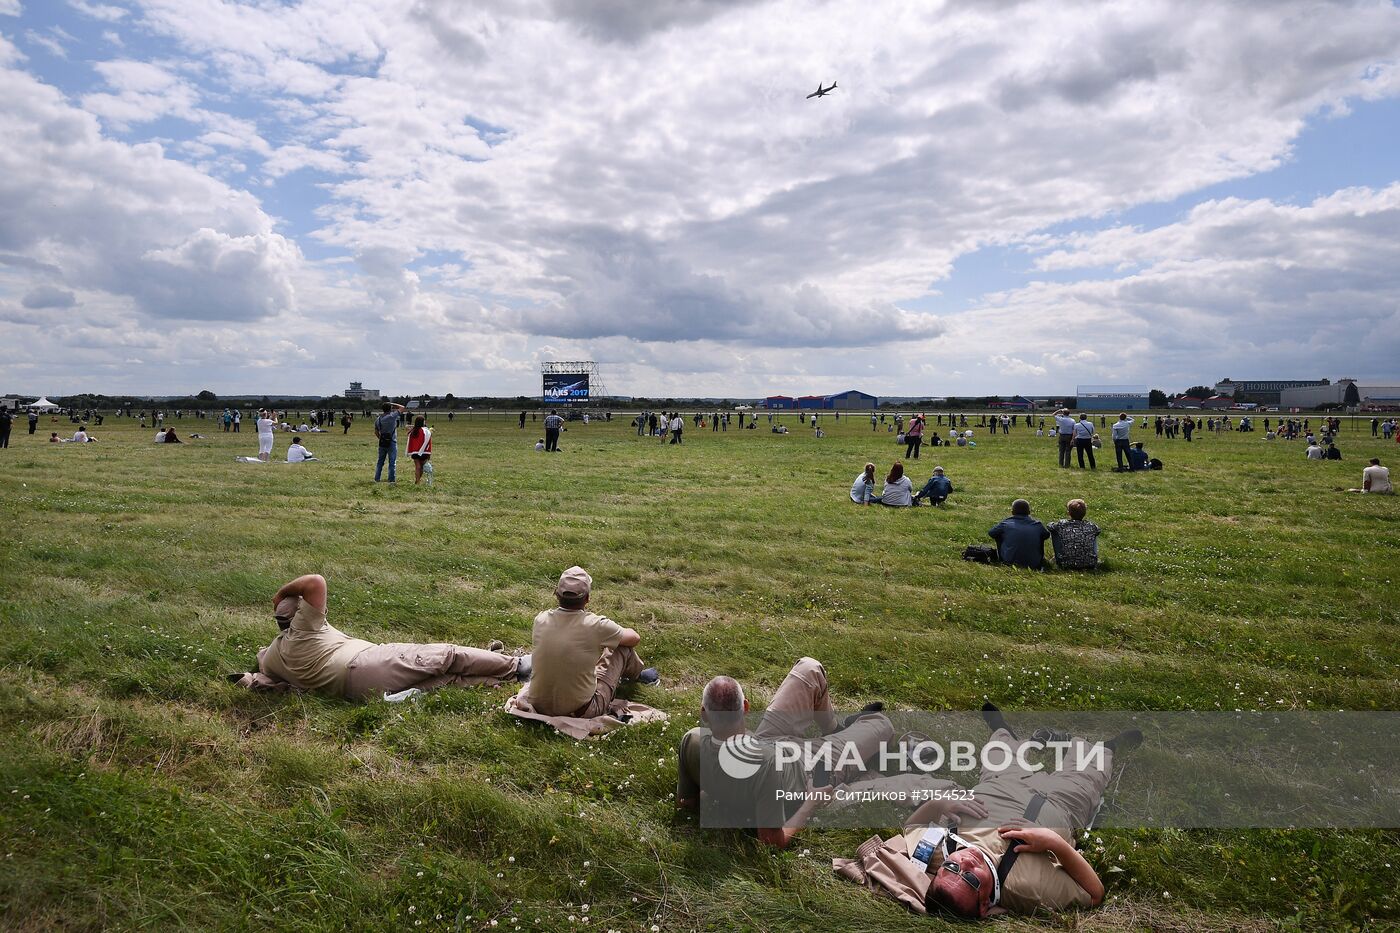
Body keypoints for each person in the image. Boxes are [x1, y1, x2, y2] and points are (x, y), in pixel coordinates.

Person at [835, 704, 1140, 918]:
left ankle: (1002, 729)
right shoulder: (1027, 890)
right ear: (985, 907)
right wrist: (1054, 842)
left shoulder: (936, 855)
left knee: (998, 754)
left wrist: (937, 805)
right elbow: (1095, 893)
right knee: (1088, 774)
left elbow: (910, 829)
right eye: (971, 879)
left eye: (953, 869)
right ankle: (1108, 746)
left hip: (999, 786)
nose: (964, 863)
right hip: (1058, 804)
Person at [675, 658, 893, 848]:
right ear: (746, 706)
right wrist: (810, 803)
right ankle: (852, 730)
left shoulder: (691, 740)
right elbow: (772, 840)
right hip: (808, 765)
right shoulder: (764, 766)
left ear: (704, 714)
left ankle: (836, 729)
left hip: (764, 740)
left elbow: (688, 802)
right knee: (883, 725)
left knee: (809, 668)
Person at [229, 574, 527, 699]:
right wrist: (282, 593)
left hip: (356, 692)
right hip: (366, 663)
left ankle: (500, 680)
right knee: (446, 655)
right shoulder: (305, 627)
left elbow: (262, 664)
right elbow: (315, 581)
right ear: (298, 615)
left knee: (447, 678)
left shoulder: (273, 656)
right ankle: (517, 666)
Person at [516, 567, 658, 719]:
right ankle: (637, 675)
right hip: (580, 711)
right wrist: (611, 633)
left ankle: (635, 674)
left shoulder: (540, 619)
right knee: (621, 647)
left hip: (538, 704)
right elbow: (634, 638)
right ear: (587, 598)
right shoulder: (597, 625)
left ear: (557, 594)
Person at [988, 499, 1049, 569]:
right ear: (1029, 512)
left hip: (1010, 562)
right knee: (1040, 536)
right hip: (1035, 564)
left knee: (998, 535)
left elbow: (991, 533)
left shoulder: (1006, 524)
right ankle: (1035, 557)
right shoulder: (1038, 525)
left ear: (1012, 512)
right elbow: (1046, 535)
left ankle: (1004, 559)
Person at [1047, 499, 1100, 570]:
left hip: (1065, 564)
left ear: (1069, 513)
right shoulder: (1091, 526)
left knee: (1054, 532)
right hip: (1090, 564)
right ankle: (1089, 557)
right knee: (1093, 534)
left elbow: (1049, 526)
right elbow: (1098, 530)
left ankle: (1059, 558)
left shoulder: (1062, 525)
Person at [374, 402, 408, 481]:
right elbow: (402, 407)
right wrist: (392, 403)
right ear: (390, 409)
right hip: (392, 442)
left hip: (382, 442)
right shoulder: (392, 416)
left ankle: (377, 478)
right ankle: (391, 480)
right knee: (392, 462)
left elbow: (376, 432)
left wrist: (381, 439)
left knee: (380, 462)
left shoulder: (378, 419)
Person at [407, 416, 433, 484]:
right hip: (424, 452)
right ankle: (419, 480)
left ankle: (417, 481)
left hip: (415, 452)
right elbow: (428, 442)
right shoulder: (426, 431)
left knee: (417, 467)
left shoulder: (413, 431)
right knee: (421, 467)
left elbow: (410, 442)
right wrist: (429, 453)